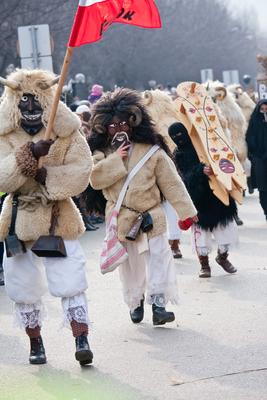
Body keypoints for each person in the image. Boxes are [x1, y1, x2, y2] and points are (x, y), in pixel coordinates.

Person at [0, 69, 93, 366]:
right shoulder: (4, 135)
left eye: (36, 100)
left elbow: (81, 171)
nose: (30, 107)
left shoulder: (67, 132)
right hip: (18, 218)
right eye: (23, 100)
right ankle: (35, 343)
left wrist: (44, 173)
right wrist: (27, 155)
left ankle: (81, 339)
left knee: (70, 279)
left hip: (57, 215)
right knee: (22, 285)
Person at [89, 88, 197, 326]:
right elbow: (95, 180)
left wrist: (187, 213)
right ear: (105, 127)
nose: (118, 130)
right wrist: (116, 157)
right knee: (130, 265)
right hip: (122, 217)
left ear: (133, 122)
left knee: (160, 258)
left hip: (151, 216)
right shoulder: (100, 152)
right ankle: (135, 301)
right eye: (112, 126)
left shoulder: (153, 149)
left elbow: (172, 183)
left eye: (122, 124)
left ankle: (159, 304)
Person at [169, 122, 238, 278]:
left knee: (226, 232)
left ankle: (222, 257)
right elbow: (184, 179)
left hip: (218, 195)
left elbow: (222, 157)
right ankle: (204, 265)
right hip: (198, 200)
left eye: (181, 134)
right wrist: (201, 171)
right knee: (202, 236)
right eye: (174, 137)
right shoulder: (178, 155)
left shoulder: (204, 143)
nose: (178, 139)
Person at [246, 100, 267, 220]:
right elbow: (250, 137)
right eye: (262, 109)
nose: (264, 111)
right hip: (259, 158)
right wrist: (255, 153)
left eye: (266, 109)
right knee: (263, 186)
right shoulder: (254, 121)